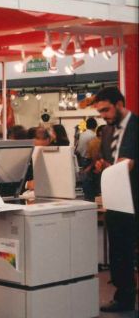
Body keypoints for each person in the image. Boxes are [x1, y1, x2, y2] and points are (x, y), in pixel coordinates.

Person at [92, 87, 137, 313]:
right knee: (118, 249)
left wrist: (127, 164)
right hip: (115, 198)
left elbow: (130, 161)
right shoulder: (107, 132)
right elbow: (109, 161)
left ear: (119, 104)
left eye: (106, 110)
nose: (104, 115)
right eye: (100, 112)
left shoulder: (136, 126)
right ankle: (124, 296)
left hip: (135, 197)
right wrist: (104, 166)